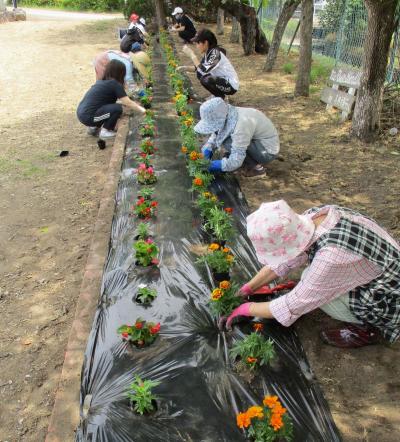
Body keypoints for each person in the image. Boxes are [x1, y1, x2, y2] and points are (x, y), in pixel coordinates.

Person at [221, 200, 400, 349]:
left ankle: (368, 330)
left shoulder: (330, 257)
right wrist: (247, 289)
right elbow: (285, 262)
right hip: (384, 267)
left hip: (389, 298)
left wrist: (245, 308)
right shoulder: (314, 216)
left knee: (320, 295)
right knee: (309, 276)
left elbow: (293, 305)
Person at [194, 97, 279, 176]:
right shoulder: (228, 113)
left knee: (227, 141)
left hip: (267, 151)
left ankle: (257, 169)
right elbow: (218, 132)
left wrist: (211, 165)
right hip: (257, 144)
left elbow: (235, 161)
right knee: (227, 139)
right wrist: (208, 149)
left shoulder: (241, 125)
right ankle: (248, 160)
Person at [77, 60, 145, 140]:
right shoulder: (115, 84)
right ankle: (105, 131)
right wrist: (143, 110)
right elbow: (127, 102)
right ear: (121, 73)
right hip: (89, 118)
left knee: (113, 107)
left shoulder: (102, 81)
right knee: (118, 109)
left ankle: (93, 128)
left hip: (81, 113)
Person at [180, 28, 239, 99]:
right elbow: (198, 68)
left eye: (198, 43)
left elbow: (204, 70)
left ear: (206, 43)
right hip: (222, 81)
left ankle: (220, 98)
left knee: (205, 79)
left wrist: (192, 55)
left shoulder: (215, 53)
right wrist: (184, 68)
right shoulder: (209, 53)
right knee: (200, 74)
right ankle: (218, 96)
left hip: (231, 85)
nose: (197, 46)